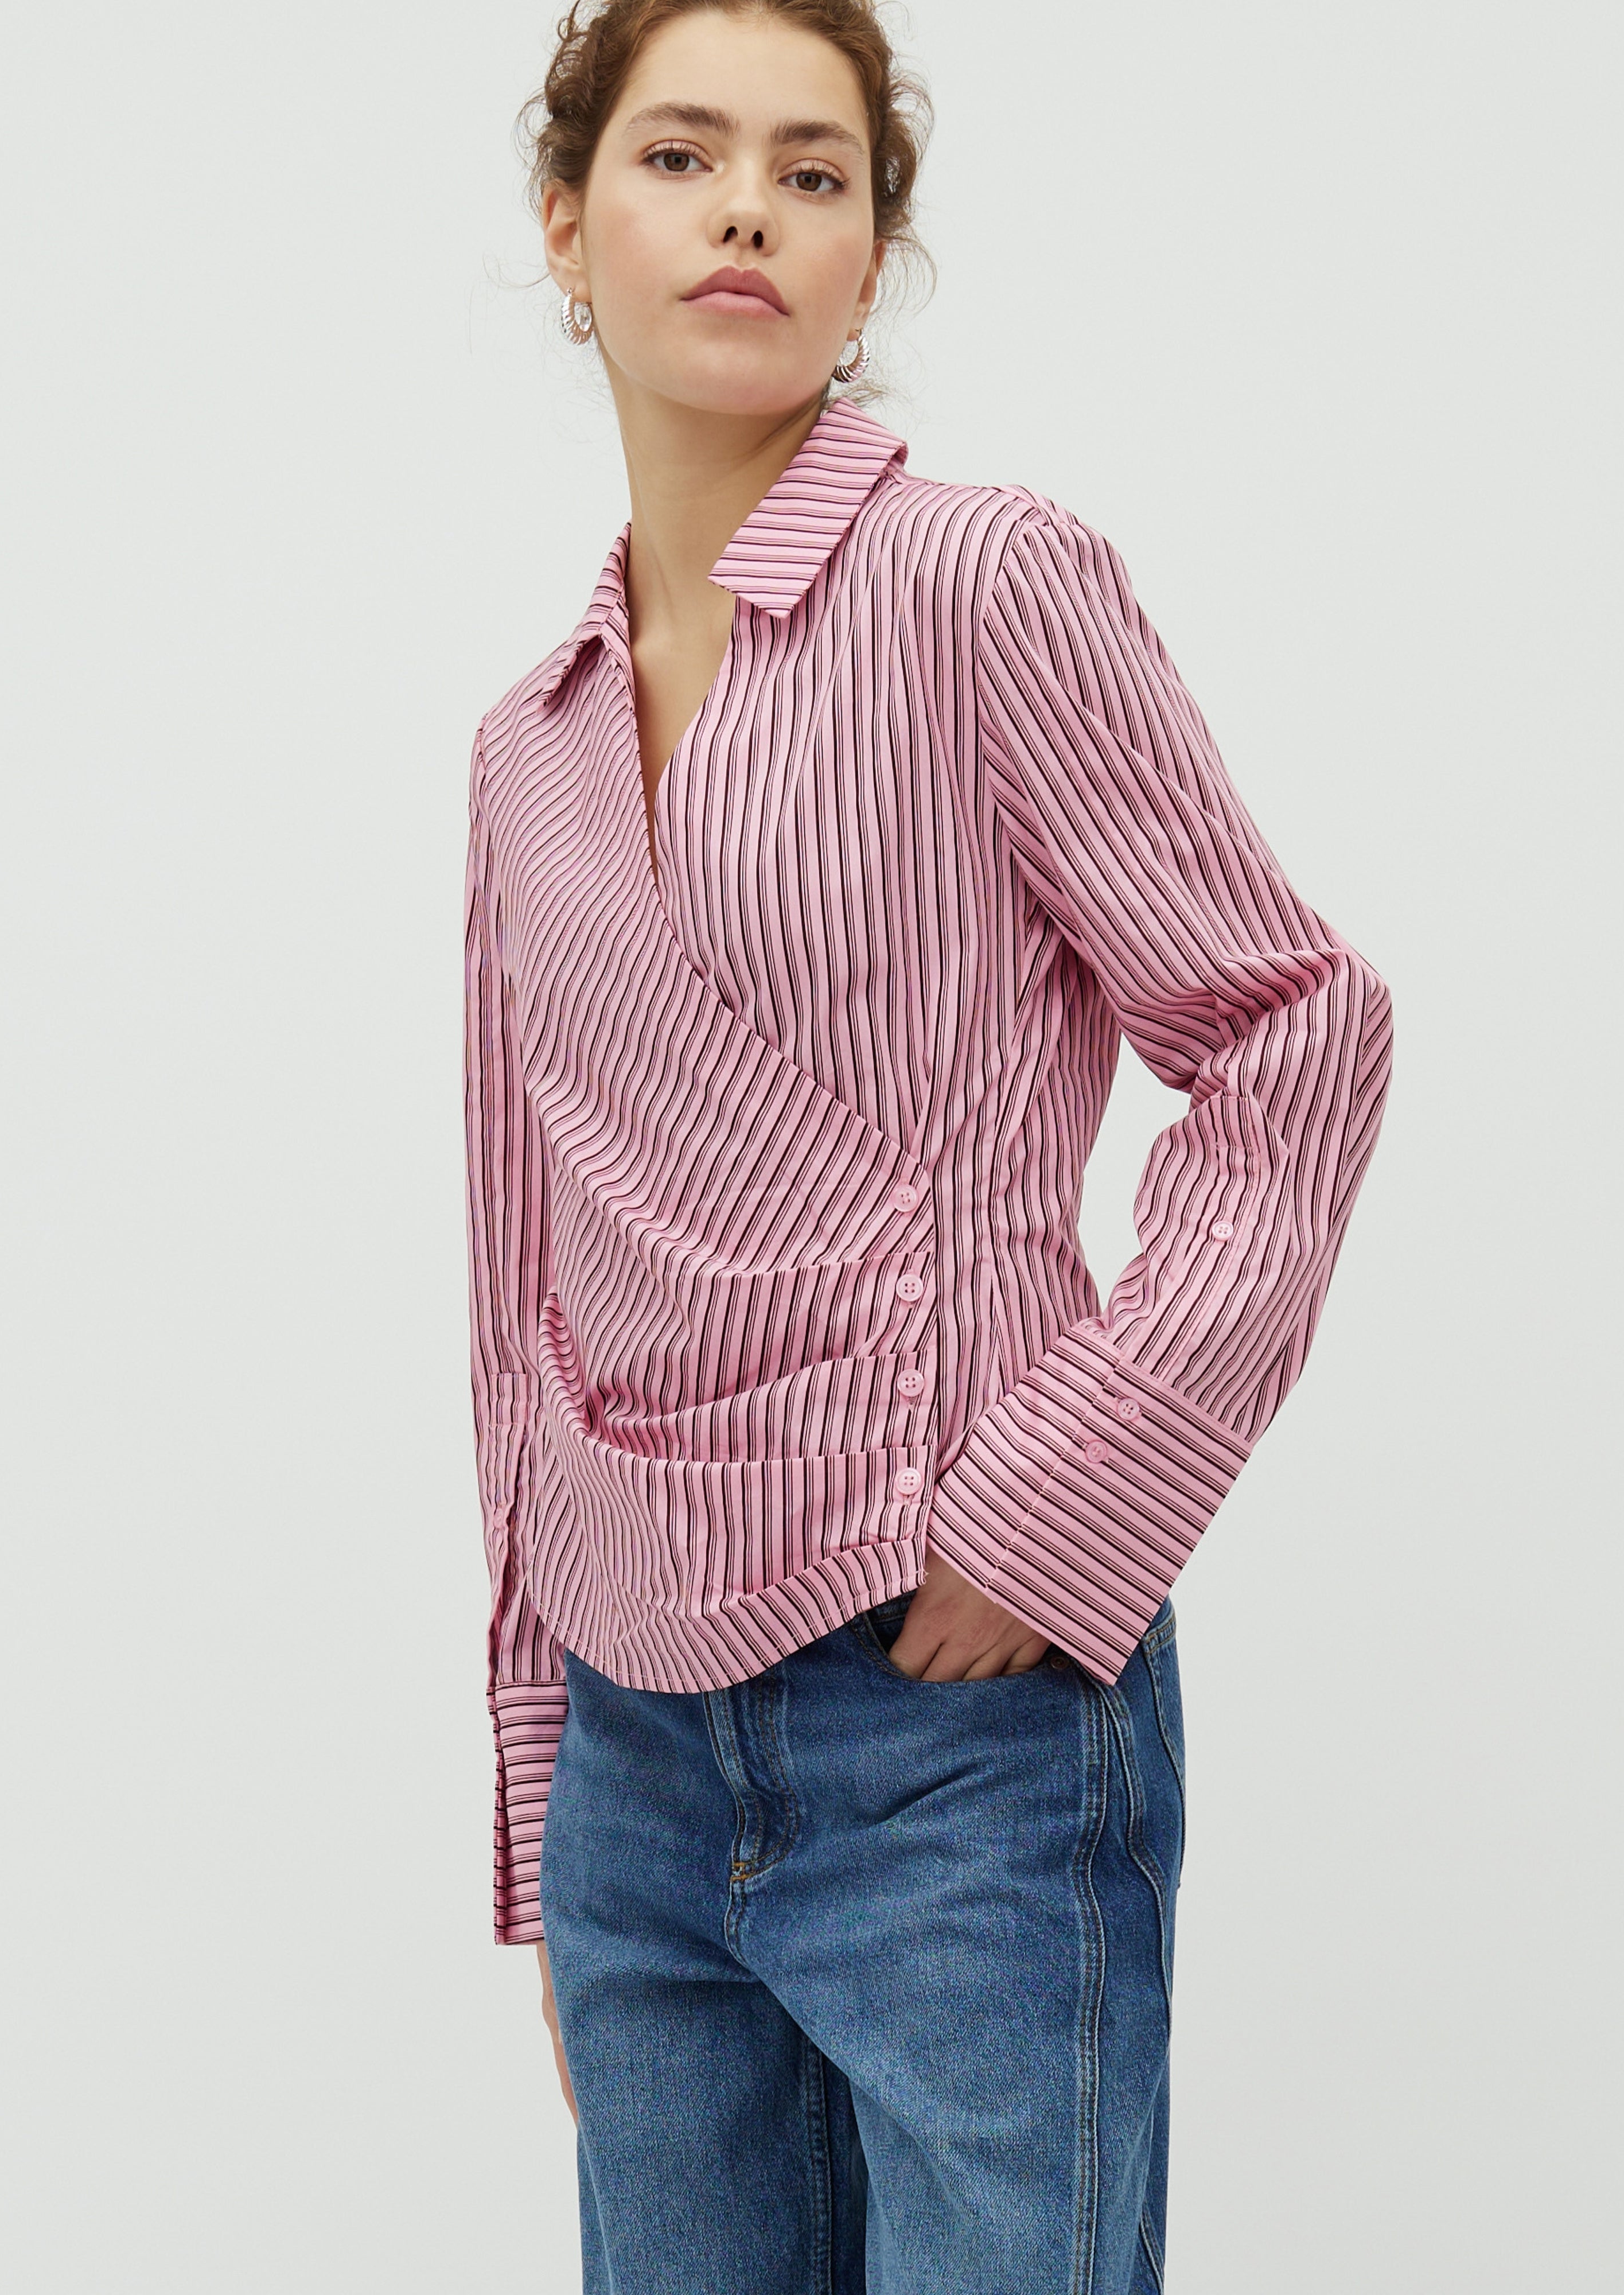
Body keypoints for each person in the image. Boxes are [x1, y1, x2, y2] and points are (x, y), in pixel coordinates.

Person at [465, 2, 1393, 2286]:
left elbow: (1294, 1031)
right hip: (633, 1749)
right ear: (566, 222)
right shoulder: (527, 746)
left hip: (956, 1713)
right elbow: (520, 1280)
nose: (751, 210)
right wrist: (545, 1791)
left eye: (816, 172)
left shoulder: (983, 584)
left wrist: (1068, 1506)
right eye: (681, 155)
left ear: (871, 257)